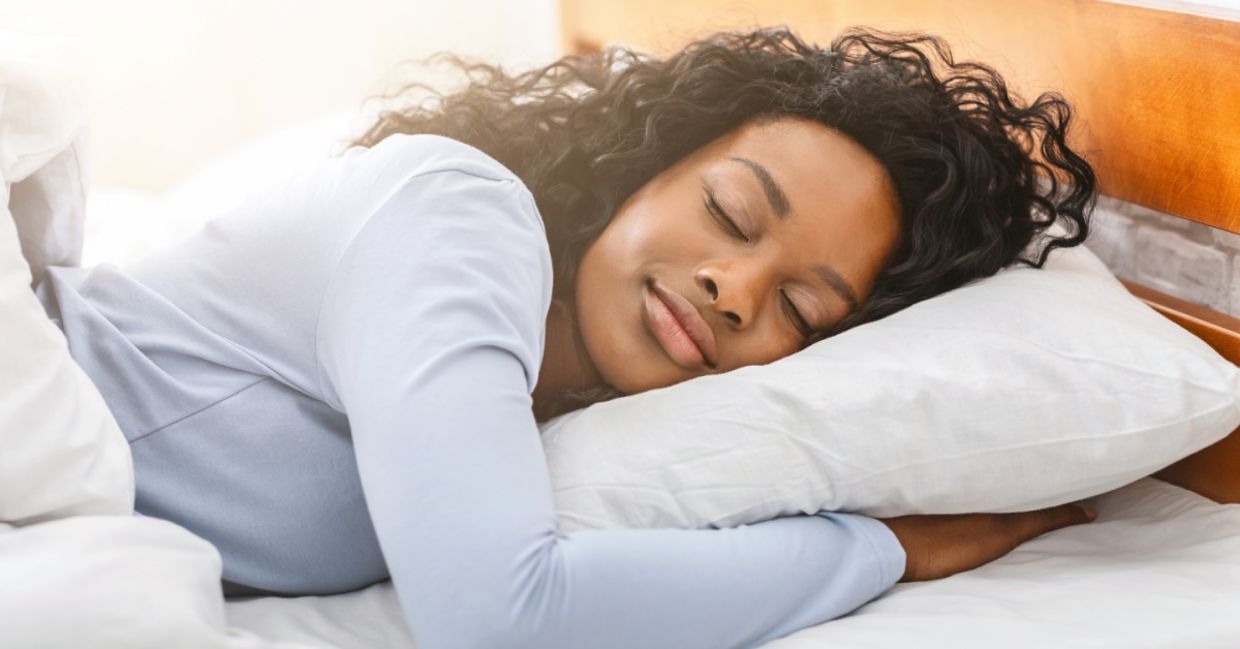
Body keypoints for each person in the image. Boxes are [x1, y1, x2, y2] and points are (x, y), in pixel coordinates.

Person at [35, 26, 1097, 649]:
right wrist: (885, 550)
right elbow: (499, 615)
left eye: (800, 310)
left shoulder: (562, 412)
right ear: (642, 168)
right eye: (729, 214)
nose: (732, 288)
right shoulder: (460, 217)